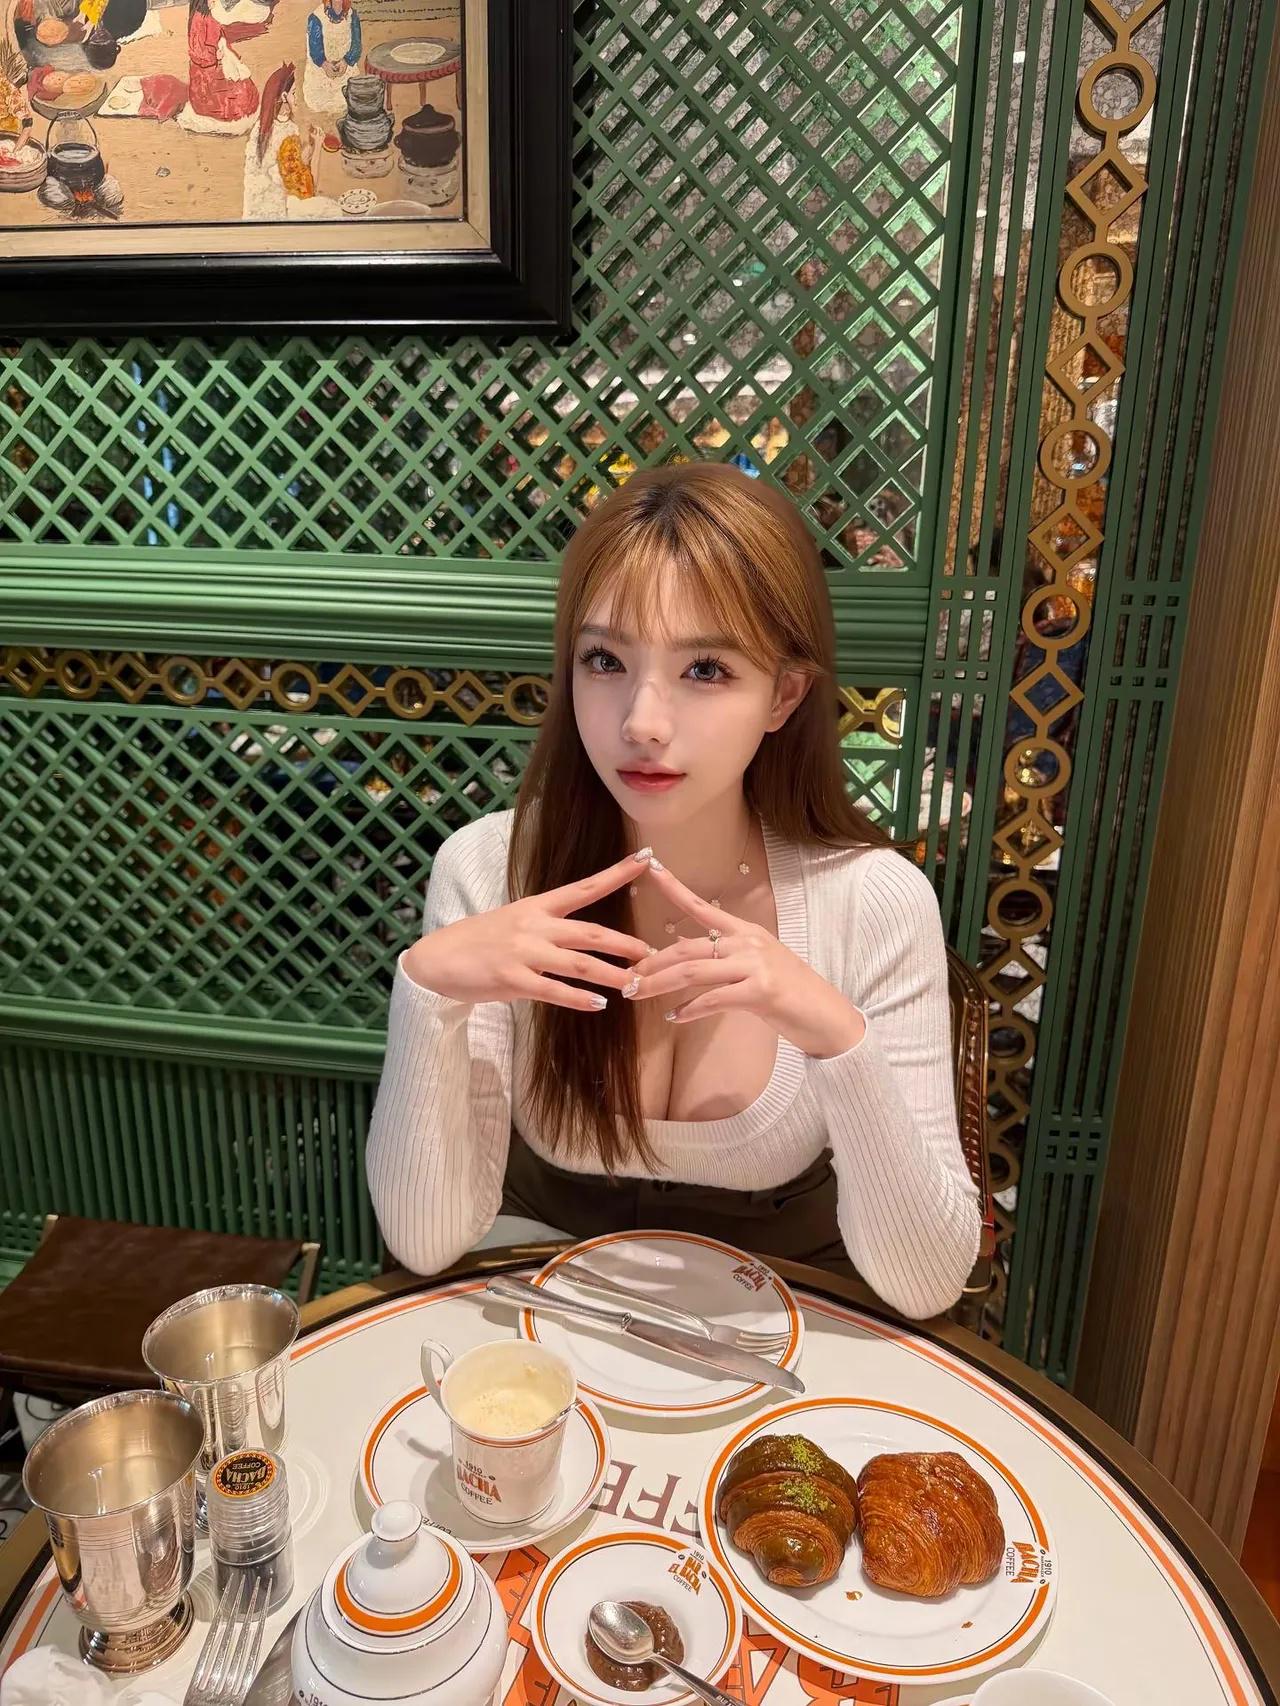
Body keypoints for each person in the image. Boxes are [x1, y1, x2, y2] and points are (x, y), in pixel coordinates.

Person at [366, 464, 981, 1319]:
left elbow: (926, 1285)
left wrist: (836, 1036)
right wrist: (428, 992)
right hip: (550, 1317)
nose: (642, 722)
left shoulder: (872, 901)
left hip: (786, 1327)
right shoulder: (488, 869)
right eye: (605, 660)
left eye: (706, 670)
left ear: (784, 694)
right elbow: (424, 1242)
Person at [243, 62, 342, 219]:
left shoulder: (260, 128)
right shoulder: (287, 135)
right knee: (334, 210)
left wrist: (305, 154)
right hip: (281, 213)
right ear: (284, 97)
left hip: (254, 212)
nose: (296, 99)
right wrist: (317, 147)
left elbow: (284, 168)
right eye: (294, 93)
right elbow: (309, 189)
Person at [176, 0, 272, 136]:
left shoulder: (211, 14)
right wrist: (214, 56)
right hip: (206, 72)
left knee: (243, 87)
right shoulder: (199, 19)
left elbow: (221, 34)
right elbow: (197, 51)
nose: (215, 2)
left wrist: (223, 48)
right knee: (231, 98)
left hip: (218, 60)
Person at [302, 0, 361, 148]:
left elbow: (356, 45)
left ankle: (343, 132)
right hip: (322, 70)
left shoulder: (352, 16)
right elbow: (314, 47)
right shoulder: (316, 17)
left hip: (345, 68)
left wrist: (346, 61)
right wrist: (324, 64)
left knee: (347, 103)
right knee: (319, 104)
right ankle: (323, 133)